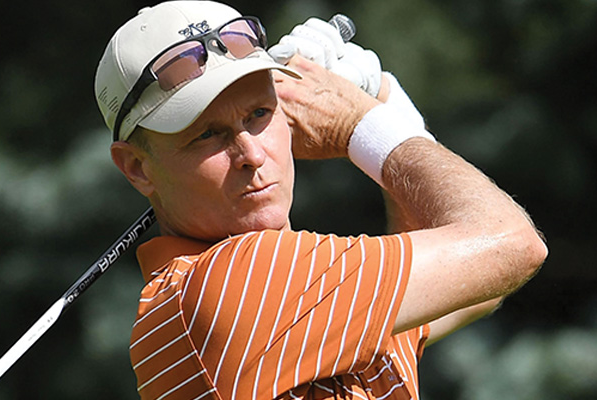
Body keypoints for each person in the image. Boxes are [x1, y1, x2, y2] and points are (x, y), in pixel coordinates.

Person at [94, 1, 547, 399]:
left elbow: (475, 290)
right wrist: (359, 121)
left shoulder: (307, 302)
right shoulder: (230, 283)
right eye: (208, 135)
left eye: (259, 113)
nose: (252, 154)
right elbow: (511, 244)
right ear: (136, 167)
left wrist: (382, 95)